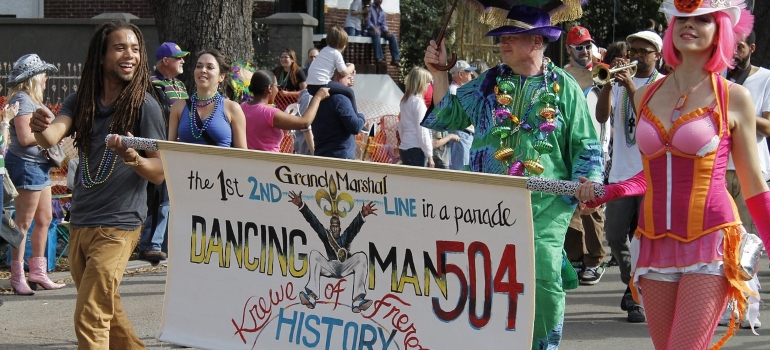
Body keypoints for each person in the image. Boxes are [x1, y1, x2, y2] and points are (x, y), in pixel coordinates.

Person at [576, 1, 769, 348]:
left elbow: (755, 186)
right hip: (653, 245)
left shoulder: (733, 98)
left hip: (710, 242)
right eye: (682, 18)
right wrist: (611, 191)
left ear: (720, 29)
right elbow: (649, 174)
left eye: (703, 19)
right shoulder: (646, 96)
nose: (689, 26)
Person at [422, 6, 603, 349]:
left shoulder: (564, 86)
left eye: (511, 36)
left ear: (537, 41)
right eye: (501, 36)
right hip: (488, 205)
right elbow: (448, 115)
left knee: (544, 273)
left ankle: (542, 345)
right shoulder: (489, 82)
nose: (502, 42)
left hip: (546, 204)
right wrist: (439, 72)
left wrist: (586, 182)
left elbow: (586, 144)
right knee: (486, 276)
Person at [30, 20, 166, 349]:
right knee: (108, 310)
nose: (130, 55)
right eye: (120, 48)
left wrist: (132, 157)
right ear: (101, 56)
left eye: (135, 49)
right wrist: (38, 125)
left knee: (90, 315)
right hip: (82, 223)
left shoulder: (144, 106)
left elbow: (160, 171)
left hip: (118, 226)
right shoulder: (82, 100)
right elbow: (51, 136)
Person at [594, 30, 665, 322]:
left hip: (650, 176)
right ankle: (631, 282)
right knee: (614, 234)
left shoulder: (663, 85)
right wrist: (609, 84)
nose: (635, 55)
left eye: (643, 51)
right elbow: (601, 117)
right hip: (622, 175)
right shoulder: (620, 82)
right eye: (632, 49)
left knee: (644, 238)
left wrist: (632, 88)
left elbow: (651, 120)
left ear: (657, 55)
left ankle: (636, 296)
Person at [718, 31, 769, 330]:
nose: (733, 52)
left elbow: (769, 127)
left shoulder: (765, 78)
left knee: (749, 244)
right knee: (723, 244)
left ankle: (750, 306)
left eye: (738, 46)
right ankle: (727, 305)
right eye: (728, 46)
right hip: (718, 170)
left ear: (750, 48)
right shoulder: (715, 77)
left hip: (752, 170)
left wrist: (739, 111)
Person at [5, 53, 63, 295]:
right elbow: (26, 137)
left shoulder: (32, 100)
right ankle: (17, 276)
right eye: (43, 74)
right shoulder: (22, 99)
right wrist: (48, 139)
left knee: (45, 219)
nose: (47, 78)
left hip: (39, 167)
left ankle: (38, 272)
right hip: (26, 166)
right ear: (34, 78)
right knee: (23, 223)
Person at [138, 42, 190, 264]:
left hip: (178, 146)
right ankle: (151, 244)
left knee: (172, 198)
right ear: (165, 61)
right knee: (160, 196)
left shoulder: (179, 84)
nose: (183, 62)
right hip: (160, 146)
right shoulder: (152, 85)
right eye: (178, 58)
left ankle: (163, 242)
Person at [288, 189, 377, 313]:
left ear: (340, 228)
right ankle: (311, 296)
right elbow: (314, 222)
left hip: (344, 265)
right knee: (314, 254)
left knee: (361, 256)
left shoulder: (345, 237)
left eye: (337, 227)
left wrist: (363, 214)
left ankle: (358, 300)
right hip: (330, 266)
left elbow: (353, 227)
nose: (335, 229)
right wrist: (301, 205)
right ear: (330, 228)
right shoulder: (326, 236)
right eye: (333, 227)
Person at [168, 49, 247, 148]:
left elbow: (242, 154)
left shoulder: (233, 108)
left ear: (221, 77)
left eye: (210, 67)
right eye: (199, 66)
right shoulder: (178, 107)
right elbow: (169, 149)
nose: (203, 70)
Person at [242, 70, 329, 152]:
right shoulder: (269, 113)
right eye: (277, 86)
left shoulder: (242, 107)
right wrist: (317, 98)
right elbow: (304, 122)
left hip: (248, 162)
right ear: (270, 88)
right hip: (269, 163)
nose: (278, 90)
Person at [312, 70, 365, 159]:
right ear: (339, 78)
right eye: (348, 78)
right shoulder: (341, 99)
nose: (350, 81)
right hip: (340, 156)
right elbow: (355, 127)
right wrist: (361, 116)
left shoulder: (317, 98)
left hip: (321, 153)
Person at [306, 27, 357, 110]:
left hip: (310, 86)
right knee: (349, 92)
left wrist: (345, 65)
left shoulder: (324, 50)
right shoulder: (336, 53)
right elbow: (344, 72)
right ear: (343, 44)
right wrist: (352, 66)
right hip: (321, 84)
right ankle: (356, 116)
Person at [398, 67, 434, 167]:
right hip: (417, 149)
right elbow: (422, 130)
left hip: (405, 147)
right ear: (421, 83)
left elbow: (400, 126)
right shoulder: (418, 102)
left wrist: (404, 140)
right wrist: (430, 155)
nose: (428, 85)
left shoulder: (405, 101)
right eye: (427, 82)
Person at [446, 60, 476, 171]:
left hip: (464, 134)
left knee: (464, 167)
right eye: (468, 72)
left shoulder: (457, 90)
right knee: (461, 169)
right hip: (461, 133)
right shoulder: (454, 91)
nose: (471, 74)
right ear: (461, 74)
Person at [367, 0, 400, 66]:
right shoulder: (369, 8)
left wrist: (386, 31)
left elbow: (383, 24)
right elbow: (367, 20)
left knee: (392, 36)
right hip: (370, 29)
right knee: (376, 35)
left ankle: (395, 59)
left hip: (380, 30)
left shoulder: (382, 12)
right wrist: (374, 28)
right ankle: (379, 58)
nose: (380, 1)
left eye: (381, 0)